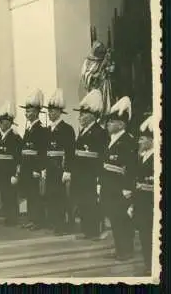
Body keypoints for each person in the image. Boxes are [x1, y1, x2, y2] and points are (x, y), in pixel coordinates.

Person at [100, 96, 138, 261]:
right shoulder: (111, 141)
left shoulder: (128, 142)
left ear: (121, 124)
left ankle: (127, 250)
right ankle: (119, 248)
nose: (108, 124)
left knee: (123, 220)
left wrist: (128, 188)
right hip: (110, 187)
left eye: (112, 121)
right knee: (115, 219)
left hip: (121, 188)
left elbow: (131, 168)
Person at [72, 89, 108, 240]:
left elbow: (101, 156)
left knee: (92, 202)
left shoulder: (100, 132)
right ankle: (87, 230)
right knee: (83, 201)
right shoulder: (83, 131)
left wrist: (99, 177)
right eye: (81, 114)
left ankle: (94, 231)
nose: (81, 116)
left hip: (92, 174)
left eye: (84, 114)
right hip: (81, 174)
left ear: (93, 115)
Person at [43, 89, 76, 235]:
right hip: (50, 168)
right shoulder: (47, 130)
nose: (50, 113)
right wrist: (43, 167)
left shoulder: (67, 129)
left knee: (62, 198)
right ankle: (56, 223)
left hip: (61, 168)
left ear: (59, 112)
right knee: (51, 196)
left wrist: (68, 170)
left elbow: (70, 151)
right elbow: (45, 151)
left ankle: (64, 225)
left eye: (53, 111)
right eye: (49, 111)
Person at [0, 102, 22, 226]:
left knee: (11, 195)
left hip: (10, 171)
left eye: (3, 122)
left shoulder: (15, 138)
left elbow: (18, 157)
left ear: (8, 123)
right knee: (4, 194)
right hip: (1, 171)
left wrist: (16, 174)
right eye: (1, 122)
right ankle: (8, 217)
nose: (1, 125)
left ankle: (13, 218)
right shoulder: (0, 139)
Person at [19, 89, 48, 231]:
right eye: (27, 111)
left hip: (34, 167)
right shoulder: (28, 128)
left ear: (36, 113)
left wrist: (38, 169)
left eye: (30, 111)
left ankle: (39, 220)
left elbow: (42, 151)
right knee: (30, 193)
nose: (27, 114)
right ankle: (32, 219)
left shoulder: (40, 129)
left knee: (36, 195)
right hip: (26, 166)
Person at [130, 114, 154, 274]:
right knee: (145, 236)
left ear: (151, 141)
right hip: (141, 203)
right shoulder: (142, 157)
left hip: (151, 203)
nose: (139, 141)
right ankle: (148, 265)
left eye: (142, 139)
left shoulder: (155, 157)